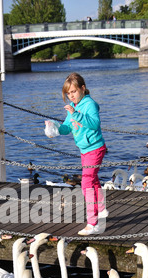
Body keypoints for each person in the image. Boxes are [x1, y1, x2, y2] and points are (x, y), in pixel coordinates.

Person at [46, 72, 108, 235]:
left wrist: (76, 114)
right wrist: (55, 128)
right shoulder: (73, 108)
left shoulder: (89, 105)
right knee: (92, 179)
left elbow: (94, 124)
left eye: (73, 91)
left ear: (82, 88)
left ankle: (92, 223)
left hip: (95, 148)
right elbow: (67, 127)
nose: (71, 96)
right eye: (68, 93)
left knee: (86, 184)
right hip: (84, 150)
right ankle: (101, 209)